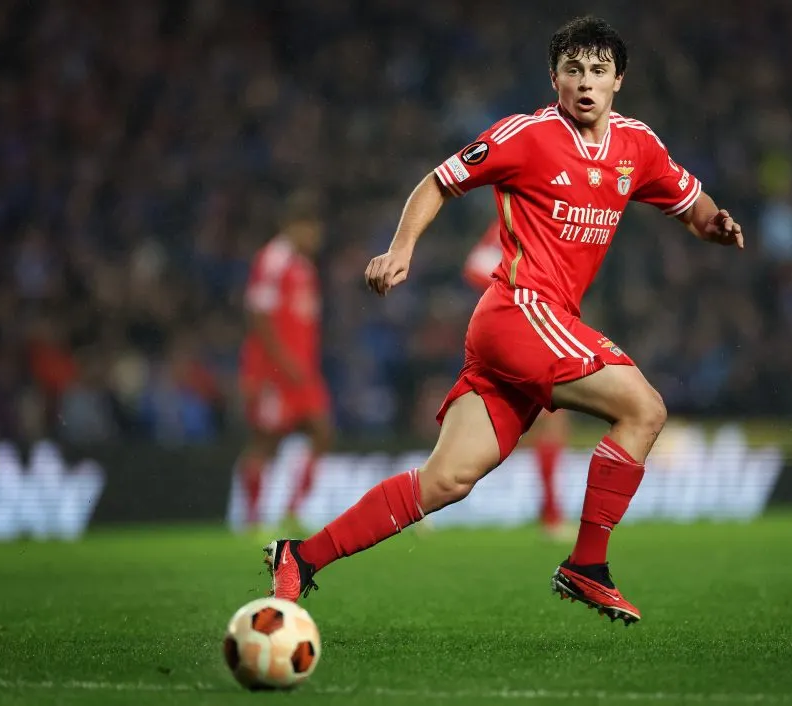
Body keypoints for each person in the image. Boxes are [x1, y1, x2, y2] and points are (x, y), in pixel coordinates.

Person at [264, 16, 743, 626]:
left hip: (535, 324)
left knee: (445, 481)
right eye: (574, 71)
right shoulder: (526, 135)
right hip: (519, 311)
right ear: (556, 79)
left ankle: (300, 558)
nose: (586, 83)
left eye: (599, 71)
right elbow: (438, 181)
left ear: (619, 80)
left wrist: (716, 224)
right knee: (643, 408)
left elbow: (690, 205)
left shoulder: (637, 146)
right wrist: (402, 248)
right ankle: (586, 565)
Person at [463, 219, 573, 541]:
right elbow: (475, 267)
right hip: (514, 328)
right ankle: (551, 516)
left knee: (544, 419)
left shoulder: (554, 220)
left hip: (534, 327)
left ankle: (551, 513)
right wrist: (514, 291)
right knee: (544, 419)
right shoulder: (515, 218)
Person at [236, 191, 334, 530]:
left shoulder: (304, 266)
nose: (314, 236)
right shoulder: (272, 259)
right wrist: (280, 362)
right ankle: (251, 518)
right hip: (274, 371)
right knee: (266, 440)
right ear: (292, 226)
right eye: (309, 229)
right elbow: (258, 314)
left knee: (322, 432)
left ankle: (293, 511)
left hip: (302, 371)